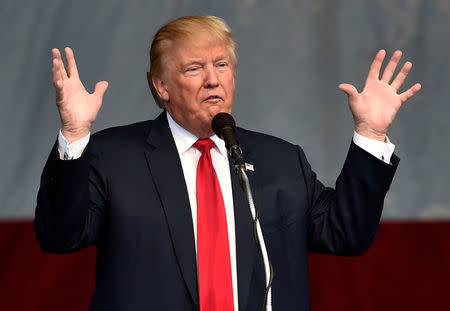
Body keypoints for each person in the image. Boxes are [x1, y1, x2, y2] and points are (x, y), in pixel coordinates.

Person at [34, 16, 421, 311]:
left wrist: (369, 134)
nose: (212, 80)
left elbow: (346, 235)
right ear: (161, 86)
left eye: (221, 66)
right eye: (193, 69)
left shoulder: (281, 160)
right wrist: (74, 132)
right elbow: (59, 237)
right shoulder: (113, 155)